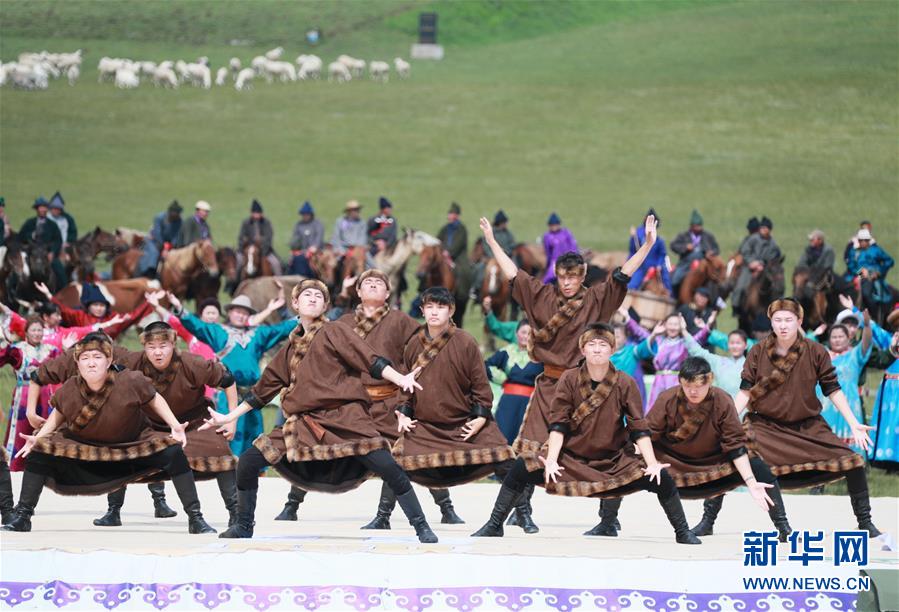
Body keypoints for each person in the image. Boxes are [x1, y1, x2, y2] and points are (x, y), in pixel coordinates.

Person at [200, 280, 439, 543]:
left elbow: (369, 359)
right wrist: (228, 416)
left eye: (318, 296)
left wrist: (399, 379)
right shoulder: (290, 348)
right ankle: (243, 526)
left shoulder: (335, 330)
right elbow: (262, 391)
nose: (313, 298)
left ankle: (422, 527)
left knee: (389, 467)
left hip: (347, 419)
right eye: (306, 294)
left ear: (325, 305)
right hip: (304, 425)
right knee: (248, 461)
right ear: (295, 304)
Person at [479, 212, 658, 532]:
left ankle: (608, 520)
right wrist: (492, 241)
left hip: (587, 384)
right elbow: (513, 274)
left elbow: (622, 275)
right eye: (563, 276)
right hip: (549, 384)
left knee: (609, 452)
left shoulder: (595, 299)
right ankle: (514, 515)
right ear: (556, 274)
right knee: (529, 451)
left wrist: (645, 246)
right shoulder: (542, 296)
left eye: (574, 277)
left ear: (583, 275)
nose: (568, 282)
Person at [470, 323, 701, 544]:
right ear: (583, 349)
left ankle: (682, 531)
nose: (597, 349)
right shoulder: (569, 379)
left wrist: (651, 463)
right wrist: (550, 460)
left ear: (613, 349)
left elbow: (638, 428)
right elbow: (558, 424)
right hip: (570, 459)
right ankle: (494, 524)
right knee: (522, 466)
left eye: (603, 344)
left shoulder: (625, 383)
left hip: (612, 460)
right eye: (592, 344)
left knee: (661, 477)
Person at [2, 333, 214, 534]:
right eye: (85, 358)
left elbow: (154, 397)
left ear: (109, 359)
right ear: (77, 363)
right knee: (39, 453)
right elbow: (58, 414)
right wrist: (39, 438)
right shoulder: (70, 387)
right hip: (86, 448)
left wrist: (175, 425)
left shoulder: (130, 380)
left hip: (130, 447)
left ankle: (195, 518)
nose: (91, 363)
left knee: (173, 453)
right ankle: (23, 516)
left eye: (97, 357)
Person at [368, 287, 523, 531]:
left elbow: (481, 387)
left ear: (451, 311)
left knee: (507, 461)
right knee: (396, 462)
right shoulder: (412, 345)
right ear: (422, 310)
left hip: (464, 422)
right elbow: (406, 388)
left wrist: (481, 418)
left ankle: (511, 518)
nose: (434, 312)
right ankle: (382, 517)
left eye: (440, 307)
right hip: (425, 425)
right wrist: (403, 413)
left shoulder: (465, 342)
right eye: (429, 307)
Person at [734, 298, 881, 538]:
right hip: (765, 426)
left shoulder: (815, 351)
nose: (783, 326)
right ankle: (781, 527)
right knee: (734, 458)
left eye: (788, 320)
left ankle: (865, 522)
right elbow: (745, 391)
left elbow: (832, 389)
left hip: (808, 427)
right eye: (777, 320)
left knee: (853, 462)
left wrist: (854, 423)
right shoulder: (758, 351)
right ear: (771, 322)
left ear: (799, 321)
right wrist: (726, 422)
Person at [338, 272, 464, 529]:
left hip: (390, 401)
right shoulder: (343, 323)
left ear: (387, 294)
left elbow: (426, 348)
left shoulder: (400, 320)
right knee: (321, 440)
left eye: (380, 283)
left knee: (406, 455)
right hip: (354, 405)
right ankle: (293, 503)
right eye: (367, 283)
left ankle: (442, 508)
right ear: (359, 292)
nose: (373, 285)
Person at [647, 357, 789, 540]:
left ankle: (783, 526)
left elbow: (735, 444)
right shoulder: (667, 398)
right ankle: (608, 521)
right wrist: (646, 458)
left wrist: (750, 481)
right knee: (625, 459)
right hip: (674, 461)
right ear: (680, 381)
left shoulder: (722, 400)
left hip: (712, 459)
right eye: (688, 385)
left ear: (710, 379)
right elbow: (646, 434)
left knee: (758, 466)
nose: (693, 391)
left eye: (699, 385)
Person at [164, 292, 297, 456]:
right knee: (228, 435)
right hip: (228, 395)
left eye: (244, 312)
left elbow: (281, 329)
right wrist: (178, 306)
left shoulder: (259, 333)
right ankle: (228, 472)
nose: (241, 315)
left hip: (252, 396)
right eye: (237, 311)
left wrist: (303, 316)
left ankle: (253, 472)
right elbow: (196, 325)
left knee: (254, 435)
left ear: (249, 315)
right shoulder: (218, 331)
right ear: (230, 312)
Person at [0, 316, 60, 471]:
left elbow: (62, 368)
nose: (37, 333)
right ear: (26, 332)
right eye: (33, 330)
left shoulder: (51, 350)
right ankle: (14, 467)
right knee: (20, 430)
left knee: (45, 429)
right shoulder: (18, 350)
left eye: (40, 330)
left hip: (46, 395)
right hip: (24, 395)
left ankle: (46, 467)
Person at [623, 311, 712, 411]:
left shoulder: (684, 343)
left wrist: (708, 325)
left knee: (674, 409)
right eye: (670, 324)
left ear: (681, 326)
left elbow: (700, 338)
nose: (673, 327)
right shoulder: (659, 341)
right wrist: (627, 317)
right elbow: (639, 331)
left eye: (676, 324)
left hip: (676, 381)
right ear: (665, 325)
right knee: (655, 409)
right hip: (659, 381)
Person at [816, 312, 873, 455]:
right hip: (825, 405)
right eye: (834, 337)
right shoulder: (822, 355)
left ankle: (853, 470)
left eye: (841, 336)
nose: (837, 340)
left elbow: (866, 343)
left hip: (849, 404)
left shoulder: (855, 355)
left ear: (849, 338)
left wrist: (866, 326)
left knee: (850, 437)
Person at [486, 319, 542, 444]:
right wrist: (502, 378)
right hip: (508, 401)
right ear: (516, 333)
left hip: (530, 403)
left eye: (529, 334)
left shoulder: (540, 356)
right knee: (503, 435)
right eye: (523, 332)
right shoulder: (507, 351)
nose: (525, 336)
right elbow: (486, 365)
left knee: (524, 438)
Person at [36, 282, 151, 340]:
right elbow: (63, 309)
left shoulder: (113, 318)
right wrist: (48, 295)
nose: (99, 308)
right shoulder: (80, 316)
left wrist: (148, 302)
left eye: (102, 305)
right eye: (95, 305)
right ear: (89, 306)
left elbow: (133, 315)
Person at [682, 323, 748, 403]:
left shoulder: (751, 366)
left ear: (745, 345)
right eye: (732, 343)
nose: (735, 346)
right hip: (722, 407)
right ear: (727, 345)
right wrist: (683, 331)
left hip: (743, 411)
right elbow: (698, 351)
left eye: (738, 343)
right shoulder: (718, 362)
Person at [869, 308, 899, 470]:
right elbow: (873, 329)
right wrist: (855, 310)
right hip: (890, 389)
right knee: (888, 421)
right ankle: (886, 459)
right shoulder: (889, 340)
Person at [732, 216, 782, 311]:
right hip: (749, 268)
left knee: (776, 286)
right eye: (762, 228)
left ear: (769, 230)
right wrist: (751, 262)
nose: (763, 230)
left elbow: (773, 258)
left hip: (765, 269)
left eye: (765, 228)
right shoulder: (753, 239)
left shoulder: (773, 245)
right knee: (741, 286)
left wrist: (761, 264)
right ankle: (736, 306)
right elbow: (745, 251)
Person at [19, 196, 66, 289]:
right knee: (18, 270)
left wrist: (52, 252)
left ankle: (61, 294)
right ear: (37, 209)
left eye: (45, 207)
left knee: (60, 272)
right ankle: (13, 293)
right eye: (41, 207)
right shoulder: (30, 223)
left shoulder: (52, 225)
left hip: (46, 253)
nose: (43, 209)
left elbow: (58, 240)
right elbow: (20, 237)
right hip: (31, 253)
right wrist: (31, 236)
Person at [845, 228, 894, 311]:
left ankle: (874, 314)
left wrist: (878, 272)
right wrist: (860, 273)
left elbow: (889, 261)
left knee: (866, 293)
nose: (863, 242)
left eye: (866, 240)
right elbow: (851, 264)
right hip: (856, 276)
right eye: (861, 240)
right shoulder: (854, 251)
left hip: (872, 277)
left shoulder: (876, 250)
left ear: (869, 240)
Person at [670, 210, 719, 288]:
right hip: (686, 262)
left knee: (716, 281)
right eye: (697, 226)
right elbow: (673, 245)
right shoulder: (684, 235)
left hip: (704, 262)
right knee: (675, 280)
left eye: (700, 225)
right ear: (691, 226)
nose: (699, 228)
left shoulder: (708, 236)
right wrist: (685, 247)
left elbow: (716, 249)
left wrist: (711, 253)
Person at [627, 208, 671, 295]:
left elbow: (662, 254)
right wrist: (633, 238)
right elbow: (632, 249)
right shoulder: (638, 236)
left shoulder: (659, 241)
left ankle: (670, 293)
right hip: (640, 266)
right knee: (632, 284)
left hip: (654, 265)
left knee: (666, 279)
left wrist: (659, 264)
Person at [138, 201, 184, 278]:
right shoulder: (159, 218)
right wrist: (163, 248)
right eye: (176, 213)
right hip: (154, 241)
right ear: (171, 212)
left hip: (169, 244)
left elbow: (176, 237)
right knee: (154, 253)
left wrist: (169, 247)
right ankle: (148, 272)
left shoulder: (180, 221)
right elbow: (157, 234)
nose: (178, 216)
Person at [237, 199, 282, 276]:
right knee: (238, 262)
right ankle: (233, 284)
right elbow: (241, 238)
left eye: (258, 213)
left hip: (264, 250)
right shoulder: (246, 223)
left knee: (276, 264)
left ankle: (279, 282)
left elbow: (268, 238)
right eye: (255, 213)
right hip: (247, 250)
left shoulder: (266, 223)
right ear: (251, 213)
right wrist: (245, 247)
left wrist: (262, 250)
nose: (256, 215)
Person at [541, 213, 578, 285]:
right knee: (546, 280)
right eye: (551, 225)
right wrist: (548, 264)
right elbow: (548, 252)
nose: (553, 227)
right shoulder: (547, 236)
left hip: (569, 259)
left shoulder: (566, 233)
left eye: (555, 224)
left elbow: (573, 246)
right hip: (556, 261)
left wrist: (574, 258)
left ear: (559, 224)